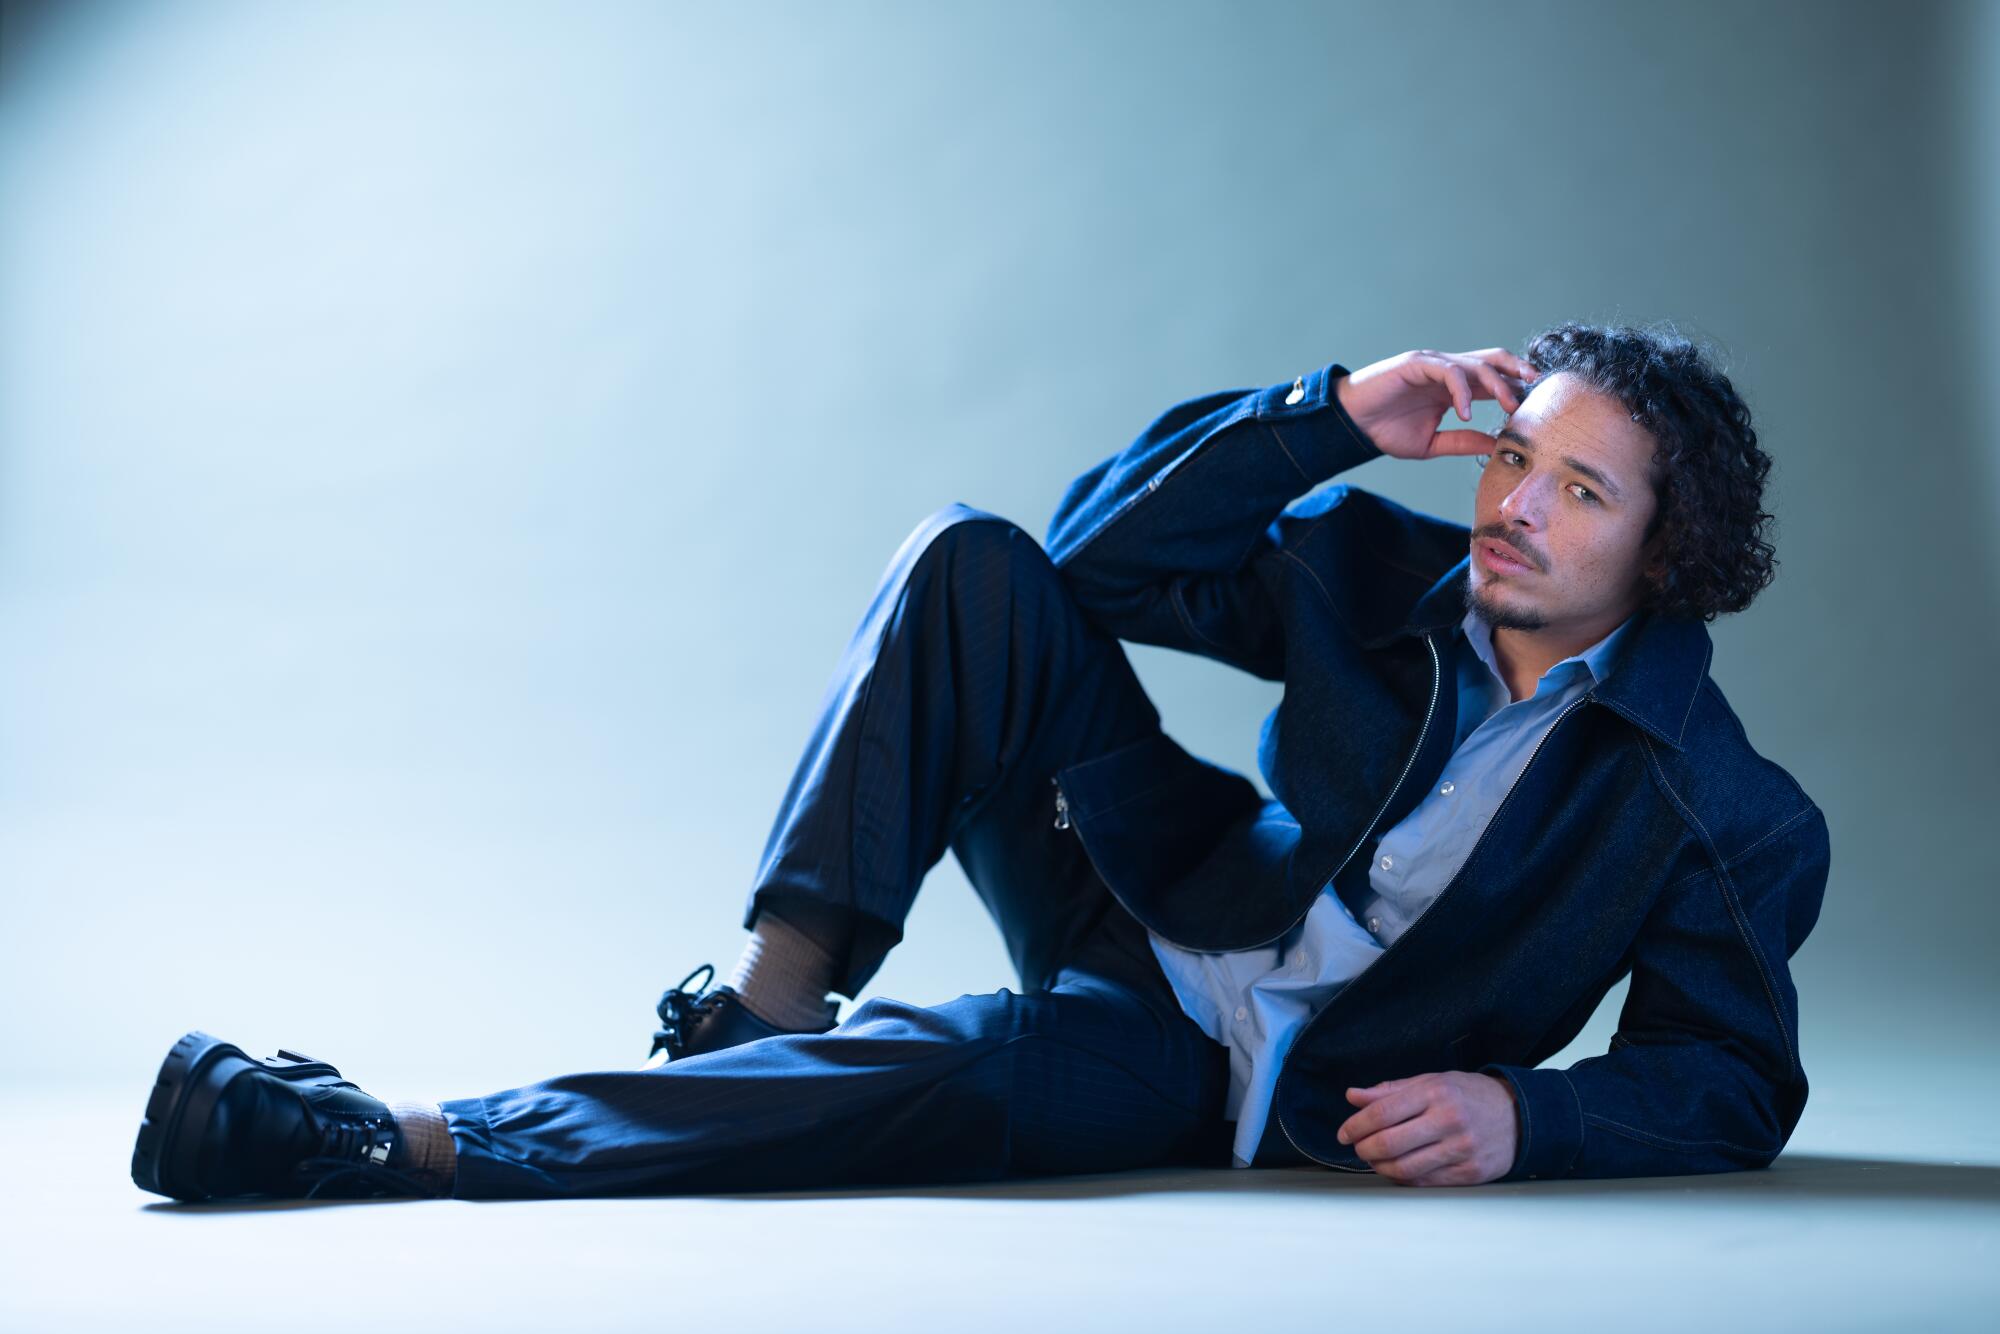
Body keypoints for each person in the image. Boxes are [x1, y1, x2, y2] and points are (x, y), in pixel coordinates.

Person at [130, 322, 1830, 1202]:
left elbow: (1732, 1079)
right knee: (969, 554)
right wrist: (1325, 412)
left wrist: (1527, 1113)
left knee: (930, 1077)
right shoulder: (1380, 575)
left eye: (1581, 491)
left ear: (1669, 559)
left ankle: (395, 1138)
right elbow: (1085, 566)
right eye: (1517, 458)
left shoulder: (1724, 806)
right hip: (1151, 891)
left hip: (1225, 1084)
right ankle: (771, 996)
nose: (1515, 504)